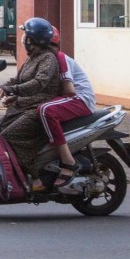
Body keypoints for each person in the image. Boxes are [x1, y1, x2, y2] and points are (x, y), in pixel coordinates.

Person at [0, 17, 62, 176]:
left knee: (7, 136)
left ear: (33, 40)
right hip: (22, 106)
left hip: (35, 110)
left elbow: (38, 83)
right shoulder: (32, 58)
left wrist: (12, 90)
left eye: (26, 36)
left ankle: (30, 172)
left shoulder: (47, 59)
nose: (23, 39)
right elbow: (17, 79)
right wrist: (0, 87)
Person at [38, 27, 96, 192]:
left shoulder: (59, 58)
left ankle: (67, 161)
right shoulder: (40, 61)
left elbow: (69, 89)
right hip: (70, 99)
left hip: (81, 99)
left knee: (45, 110)